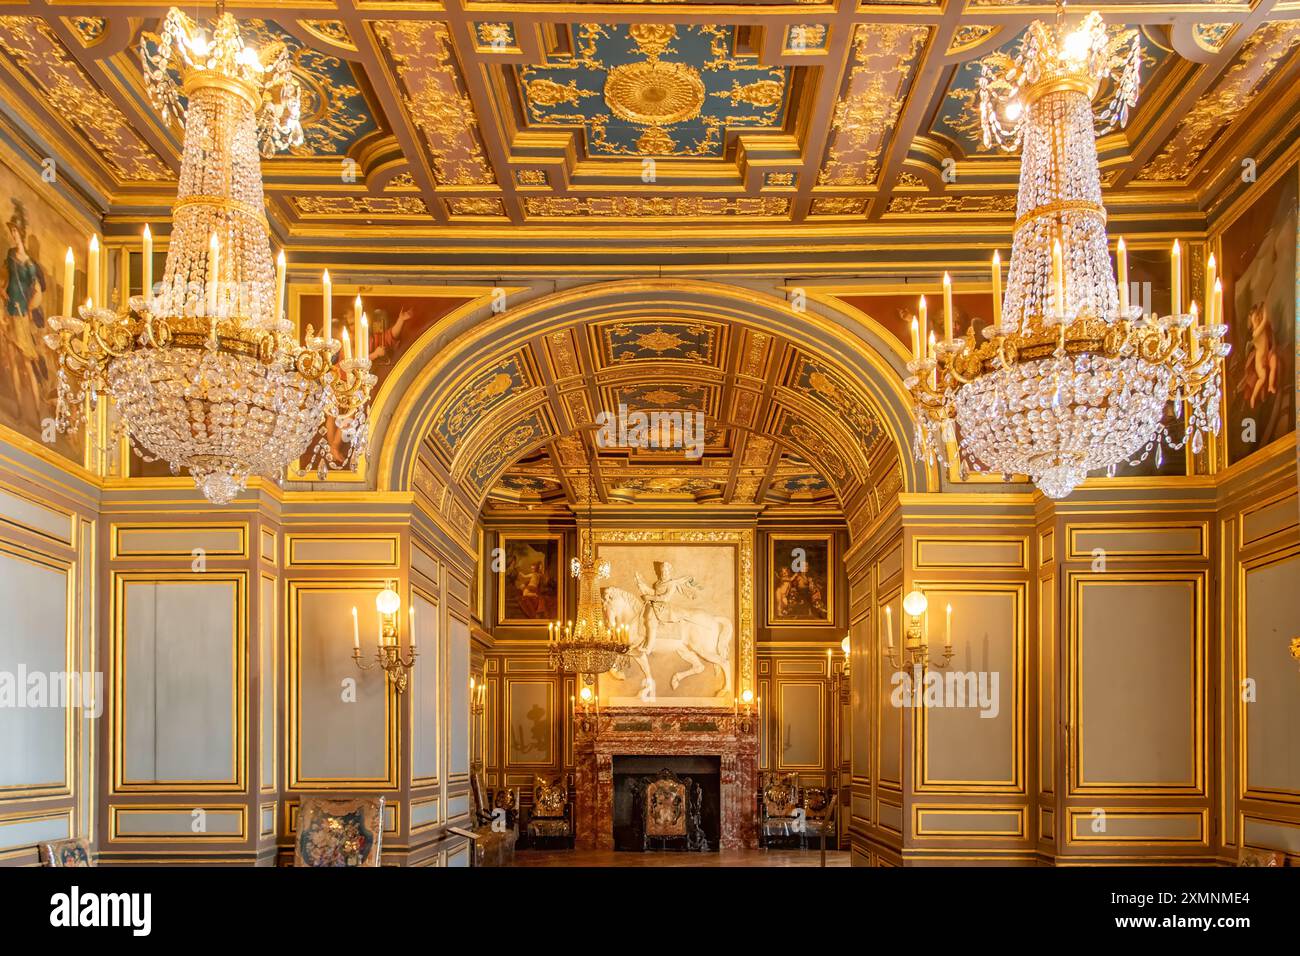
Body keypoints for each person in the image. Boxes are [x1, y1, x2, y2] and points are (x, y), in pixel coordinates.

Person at [3, 200, 48, 425]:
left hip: (21, 314)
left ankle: (38, 412)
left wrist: (29, 309)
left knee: (27, 363)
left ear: (21, 233)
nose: (13, 235)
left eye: (15, 231)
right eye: (11, 231)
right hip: (9, 310)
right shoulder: (10, 254)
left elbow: (36, 290)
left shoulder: (29, 264)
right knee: (12, 360)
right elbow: (5, 278)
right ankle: (20, 407)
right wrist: (3, 292)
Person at [635, 561, 701, 649]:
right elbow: (656, 593)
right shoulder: (658, 583)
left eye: (666, 571)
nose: (664, 573)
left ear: (670, 572)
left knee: (650, 621)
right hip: (655, 605)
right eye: (662, 571)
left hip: (663, 607)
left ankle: (649, 646)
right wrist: (643, 586)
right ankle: (645, 639)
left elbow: (666, 597)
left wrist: (650, 597)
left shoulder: (672, 584)